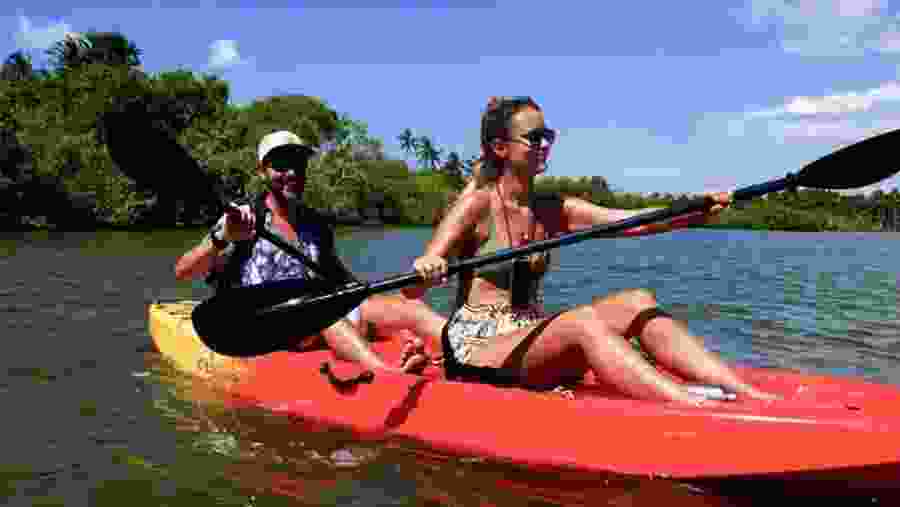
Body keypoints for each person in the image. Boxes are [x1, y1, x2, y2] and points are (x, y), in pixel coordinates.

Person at [404, 97, 776, 405]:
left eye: (548, 136)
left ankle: (749, 394)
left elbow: (635, 221)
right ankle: (687, 405)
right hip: (477, 348)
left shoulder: (553, 208)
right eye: (534, 138)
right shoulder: (477, 206)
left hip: (527, 335)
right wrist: (428, 265)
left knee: (636, 301)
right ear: (501, 148)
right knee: (580, 321)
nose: (545, 144)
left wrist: (693, 211)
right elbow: (413, 288)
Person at [175, 130, 446, 374]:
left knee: (411, 309)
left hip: (315, 313)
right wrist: (221, 238)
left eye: (298, 164)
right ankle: (387, 376)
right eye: (281, 165)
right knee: (325, 314)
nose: (291, 173)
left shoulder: (316, 225)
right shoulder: (242, 218)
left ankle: (469, 352)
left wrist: (405, 292)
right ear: (262, 171)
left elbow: (343, 284)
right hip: (266, 324)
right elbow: (183, 272)